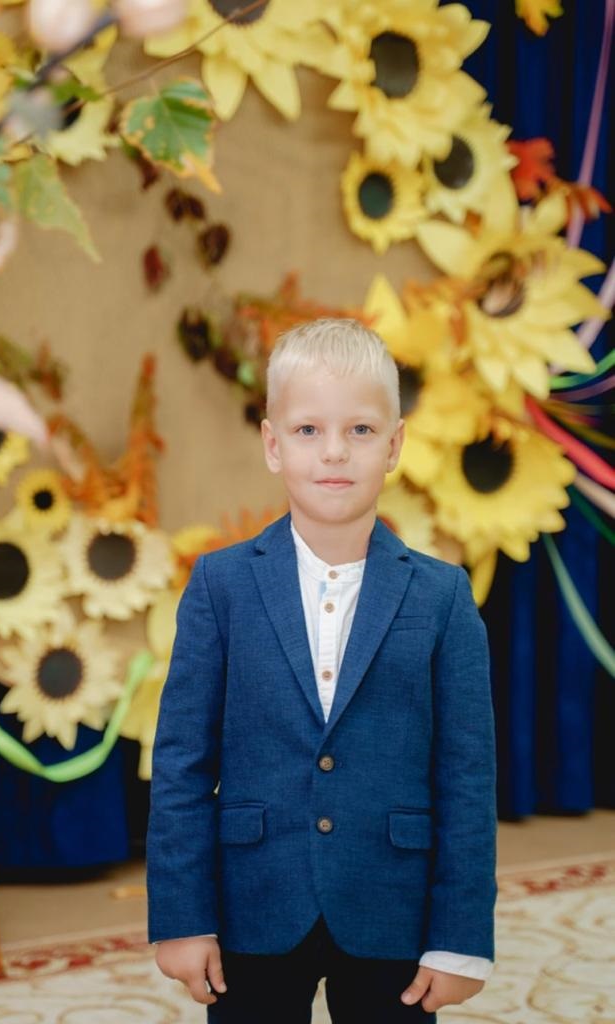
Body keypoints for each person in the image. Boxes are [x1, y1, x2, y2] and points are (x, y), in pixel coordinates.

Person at [146, 317, 498, 1023]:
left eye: (361, 430)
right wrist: (181, 918)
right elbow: (182, 763)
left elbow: (467, 777)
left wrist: (461, 939)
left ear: (394, 444)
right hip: (254, 906)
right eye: (308, 430)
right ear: (273, 445)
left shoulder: (442, 596)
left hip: (391, 908)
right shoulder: (220, 586)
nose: (334, 451)